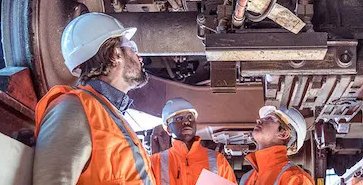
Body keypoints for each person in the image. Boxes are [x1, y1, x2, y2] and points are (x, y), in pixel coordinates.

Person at [33, 12, 156, 185]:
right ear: (115, 54)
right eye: (132, 48)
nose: (139, 57)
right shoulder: (73, 109)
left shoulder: (107, 114)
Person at [151, 97, 237, 185]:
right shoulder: (155, 162)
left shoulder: (218, 160)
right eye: (179, 119)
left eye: (190, 117)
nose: (186, 122)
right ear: (168, 129)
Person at [240, 106, 314, 185]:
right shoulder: (247, 178)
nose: (259, 120)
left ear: (283, 134)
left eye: (269, 118)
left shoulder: (295, 178)